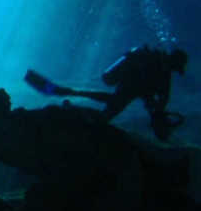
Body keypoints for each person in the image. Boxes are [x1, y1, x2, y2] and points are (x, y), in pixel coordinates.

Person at [25, 46, 187, 140]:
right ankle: (71, 110)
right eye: (177, 67)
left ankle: (67, 102)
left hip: (127, 87)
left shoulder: (158, 63)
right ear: (176, 61)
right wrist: (154, 106)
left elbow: (153, 93)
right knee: (104, 117)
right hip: (129, 88)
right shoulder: (159, 66)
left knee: (106, 105)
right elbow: (147, 89)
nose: (175, 70)